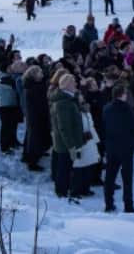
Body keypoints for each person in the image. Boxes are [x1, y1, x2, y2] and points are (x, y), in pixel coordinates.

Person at [102, 84, 134, 213]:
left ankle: (108, 203)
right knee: (127, 178)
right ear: (122, 94)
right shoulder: (127, 109)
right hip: (126, 147)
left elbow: (103, 127)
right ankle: (128, 205)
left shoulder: (106, 108)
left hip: (111, 147)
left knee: (110, 176)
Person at [49, 74, 85, 202]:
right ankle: (61, 193)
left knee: (66, 168)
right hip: (65, 144)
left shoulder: (68, 99)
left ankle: (65, 190)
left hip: (68, 143)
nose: (76, 84)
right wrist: (71, 146)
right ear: (67, 84)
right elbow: (64, 128)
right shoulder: (63, 103)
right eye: (74, 82)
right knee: (63, 169)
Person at [0, 64, 22, 154]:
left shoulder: (8, 77)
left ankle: (12, 142)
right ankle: (4, 147)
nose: (12, 69)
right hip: (5, 105)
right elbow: (16, 87)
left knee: (12, 125)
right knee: (6, 127)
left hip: (10, 104)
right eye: (10, 67)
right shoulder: (6, 78)